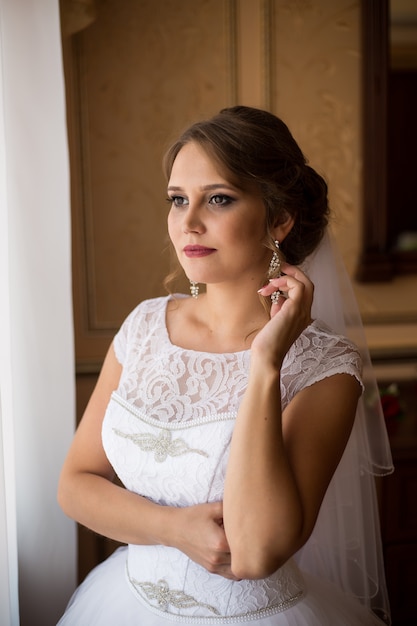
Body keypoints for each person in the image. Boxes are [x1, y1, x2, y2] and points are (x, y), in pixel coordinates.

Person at [57, 106, 393, 625]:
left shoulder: (326, 367)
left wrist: (265, 365)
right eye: (177, 200)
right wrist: (176, 529)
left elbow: (256, 553)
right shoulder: (144, 327)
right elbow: (75, 484)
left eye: (218, 198)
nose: (188, 222)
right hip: (125, 604)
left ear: (278, 218)